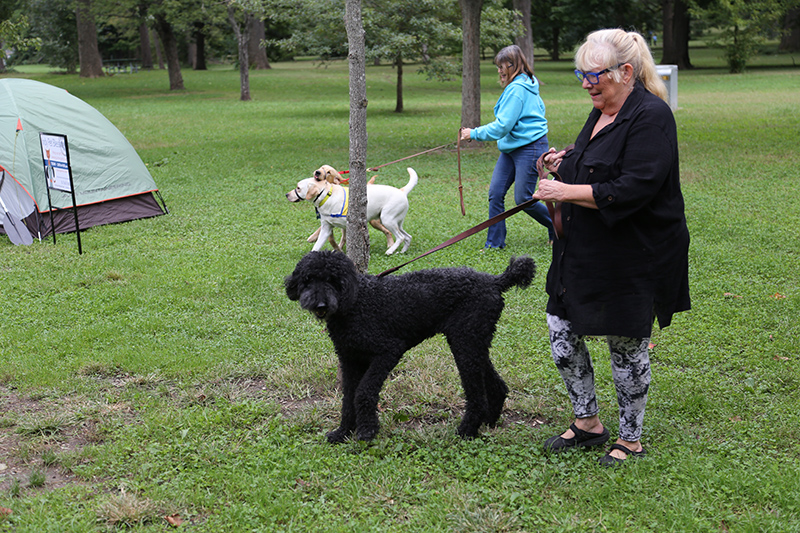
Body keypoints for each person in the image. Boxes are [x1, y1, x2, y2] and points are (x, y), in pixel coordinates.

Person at [532, 29, 690, 466]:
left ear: (625, 72)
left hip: (633, 250)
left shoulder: (652, 115)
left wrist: (565, 192)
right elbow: (598, 164)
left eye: (594, 74)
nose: (586, 83)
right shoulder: (601, 110)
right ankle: (587, 423)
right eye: (581, 74)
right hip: (583, 245)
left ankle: (631, 439)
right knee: (561, 332)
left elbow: (634, 186)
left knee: (625, 344)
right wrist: (565, 162)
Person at [460, 45, 554, 249]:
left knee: (523, 198)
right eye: (498, 67)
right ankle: (494, 244)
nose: (499, 71)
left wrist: (472, 133)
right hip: (511, 148)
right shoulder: (521, 85)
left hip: (531, 147)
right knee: (495, 193)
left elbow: (502, 126)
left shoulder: (518, 89)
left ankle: (559, 226)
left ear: (514, 65)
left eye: (502, 66)